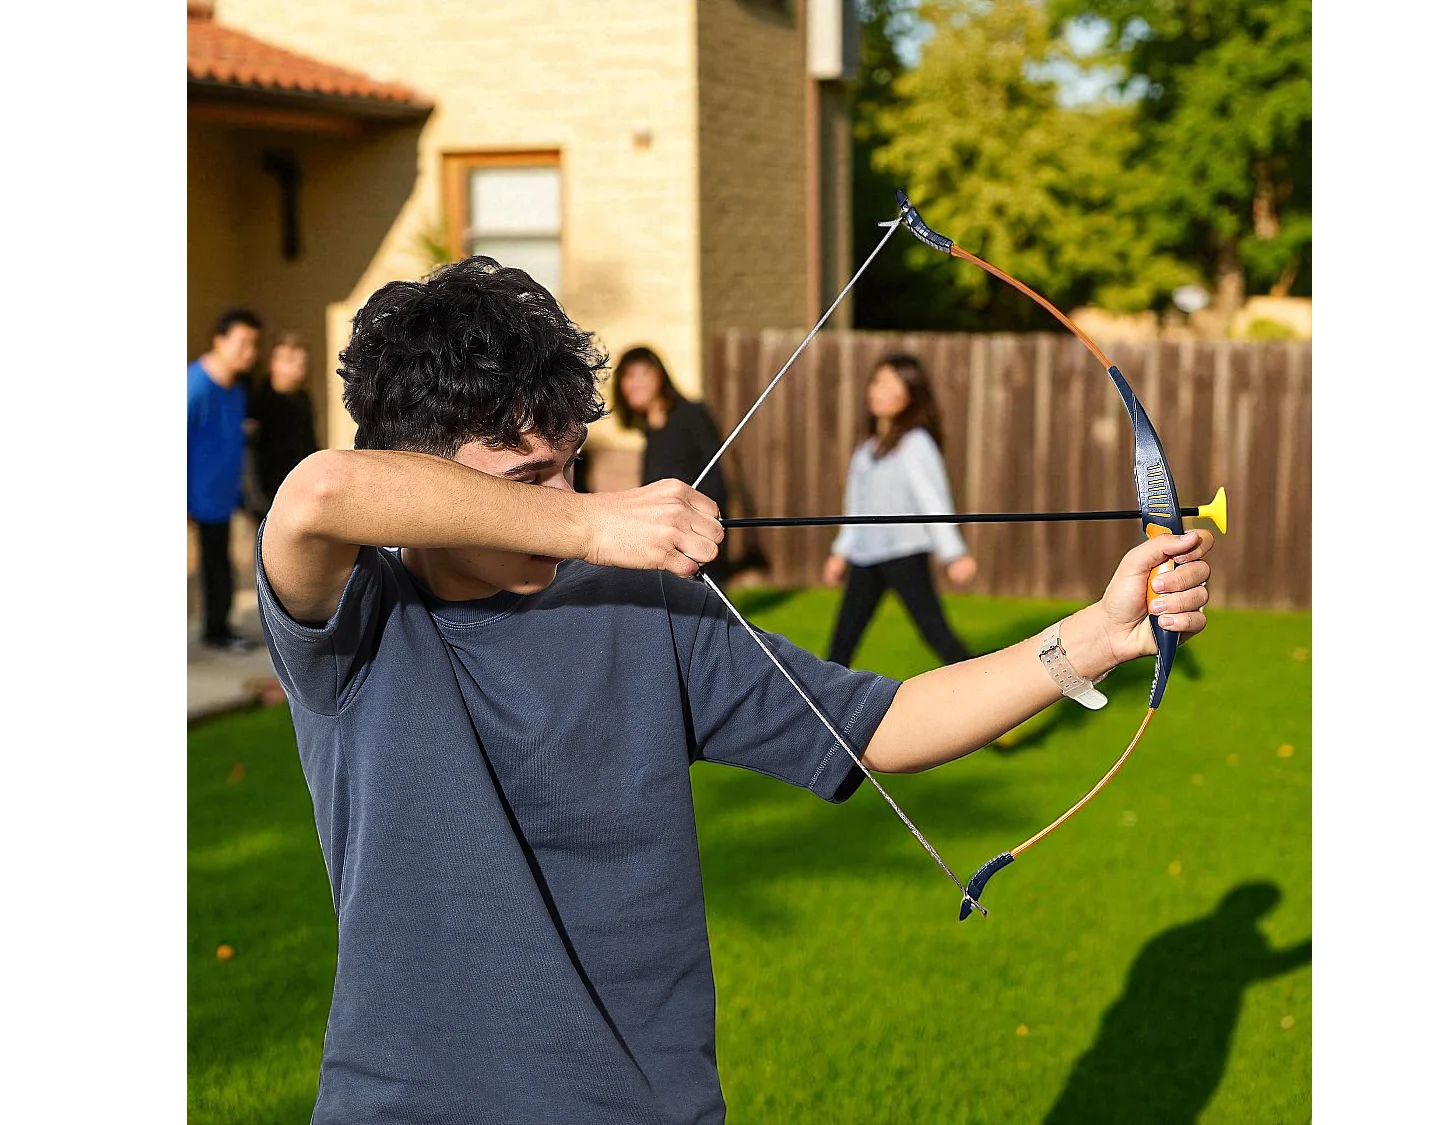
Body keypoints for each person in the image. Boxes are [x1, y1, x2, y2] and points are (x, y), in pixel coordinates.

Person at [258, 257, 1213, 1123]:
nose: (562, 494)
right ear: (417, 473)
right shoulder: (356, 624)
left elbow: (885, 725)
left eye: (572, 467)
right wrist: (588, 525)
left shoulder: (650, 617)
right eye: (527, 481)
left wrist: (1094, 636)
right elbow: (318, 496)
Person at [824, 353, 977, 668]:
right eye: (878, 381)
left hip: (904, 554)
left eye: (893, 384)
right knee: (842, 642)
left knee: (936, 633)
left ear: (909, 396)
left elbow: (933, 500)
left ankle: (991, 693)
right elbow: (855, 509)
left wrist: (953, 553)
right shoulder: (865, 451)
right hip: (866, 558)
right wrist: (841, 553)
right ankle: (820, 712)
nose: (880, 390)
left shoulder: (916, 443)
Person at [612, 345, 730, 585]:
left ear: (660, 376)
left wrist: (704, 530)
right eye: (629, 376)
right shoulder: (650, 428)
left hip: (695, 533)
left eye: (643, 373)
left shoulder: (691, 414)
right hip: (665, 534)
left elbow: (715, 478)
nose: (636, 383)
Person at [187, 307, 262, 651]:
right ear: (219, 340)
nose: (250, 352)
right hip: (196, 497)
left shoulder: (236, 390)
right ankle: (216, 631)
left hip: (221, 496)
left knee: (222, 565)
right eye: (242, 342)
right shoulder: (195, 385)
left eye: (254, 344)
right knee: (214, 566)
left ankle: (219, 628)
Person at [245, 331, 320, 521]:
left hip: (297, 497)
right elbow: (249, 460)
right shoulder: (258, 402)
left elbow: (309, 447)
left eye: (302, 361)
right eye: (289, 360)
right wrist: (259, 503)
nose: (297, 366)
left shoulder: (303, 401)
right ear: (274, 363)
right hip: (263, 503)